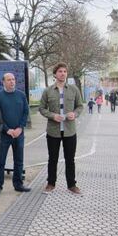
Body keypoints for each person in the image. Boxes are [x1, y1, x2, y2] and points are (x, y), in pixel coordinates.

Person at [39, 62, 83, 195]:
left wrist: (74, 114)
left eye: (64, 71)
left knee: (70, 159)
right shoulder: (48, 91)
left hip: (70, 131)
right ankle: (51, 183)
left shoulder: (74, 89)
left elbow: (80, 106)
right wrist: (53, 116)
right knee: (52, 158)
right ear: (55, 74)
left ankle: (72, 185)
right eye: (60, 71)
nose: (62, 73)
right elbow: (41, 108)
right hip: (53, 131)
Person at [0, 73, 31, 196]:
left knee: (19, 160)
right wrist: (7, 129)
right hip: (4, 134)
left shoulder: (21, 95)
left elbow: (26, 112)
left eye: (13, 79)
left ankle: (18, 184)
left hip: (19, 134)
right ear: (3, 82)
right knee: (0, 161)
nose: (12, 82)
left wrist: (20, 128)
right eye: (9, 80)